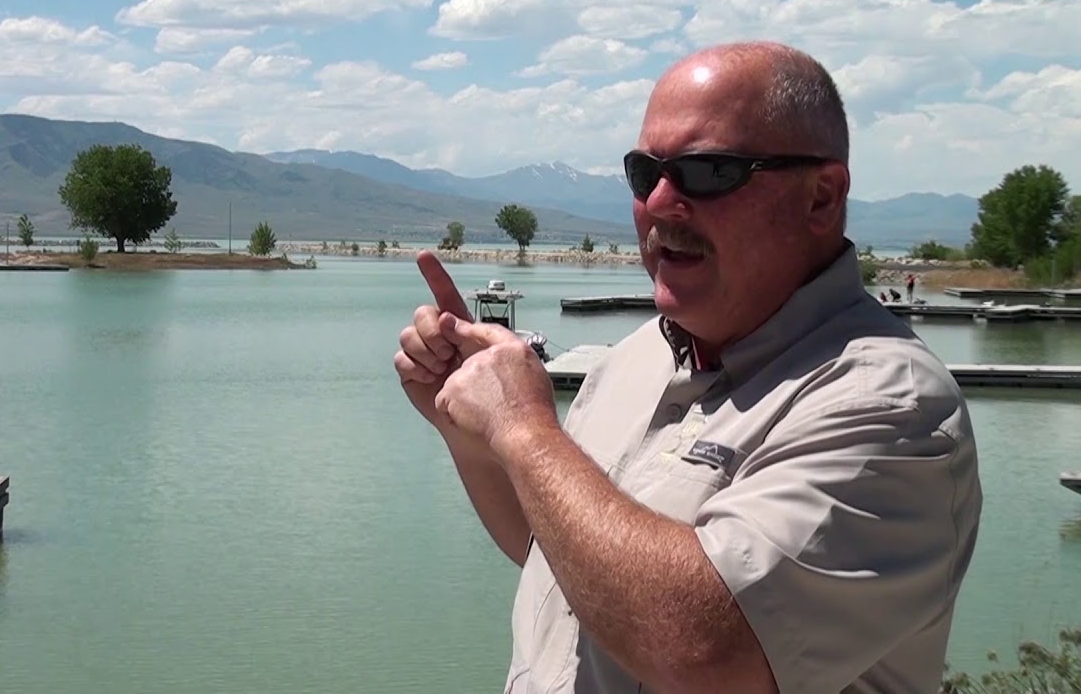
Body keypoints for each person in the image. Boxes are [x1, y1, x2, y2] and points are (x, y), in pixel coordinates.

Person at [393, 40, 982, 694]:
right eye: (645, 174)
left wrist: (525, 432)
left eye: (708, 172)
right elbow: (556, 549)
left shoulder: (889, 406)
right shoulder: (634, 358)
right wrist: (467, 428)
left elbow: (709, 650)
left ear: (821, 197)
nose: (662, 203)